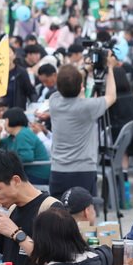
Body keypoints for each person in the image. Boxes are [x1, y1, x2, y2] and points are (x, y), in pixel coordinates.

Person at [46, 60, 117, 197]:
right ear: (80, 86)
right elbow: (111, 96)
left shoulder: (53, 101)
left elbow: (66, 83)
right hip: (83, 171)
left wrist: (85, 69)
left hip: (58, 171)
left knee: (58, 216)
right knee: (83, 216)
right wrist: (110, 68)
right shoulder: (88, 107)